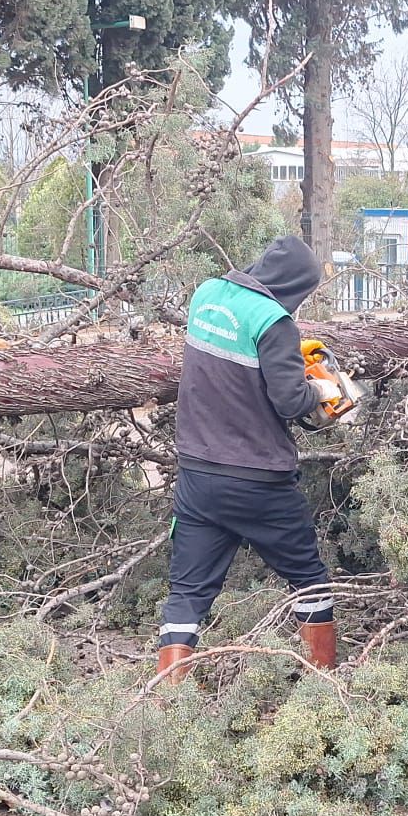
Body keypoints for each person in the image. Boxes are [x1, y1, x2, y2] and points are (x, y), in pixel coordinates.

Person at [156, 234, 340, 682]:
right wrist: (324, 386)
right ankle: (326, 686)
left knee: (188, 591)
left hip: (198, 476)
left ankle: (165, 704)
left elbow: (232, 369)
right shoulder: (275, 322)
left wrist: (284, 358)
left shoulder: (207, 294)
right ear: (297, 286)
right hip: (258, 479)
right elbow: (292, 401)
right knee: (309, 578)